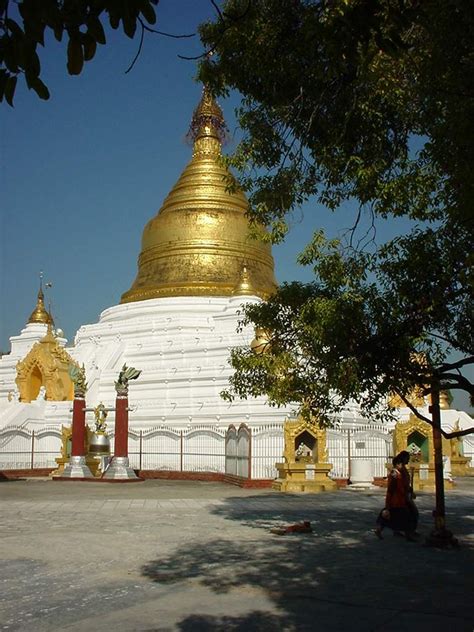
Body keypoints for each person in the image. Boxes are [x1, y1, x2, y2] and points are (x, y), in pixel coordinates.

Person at [374, 452, 417, 541]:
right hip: (397, 498)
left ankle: (380, 530)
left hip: (401, 497)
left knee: (393, 516)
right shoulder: (395, 473)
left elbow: (404, 483)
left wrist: (409, 490)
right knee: (405, 516)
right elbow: (392, 487)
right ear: (398, 463)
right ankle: (408, 534)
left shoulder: (401, 471)